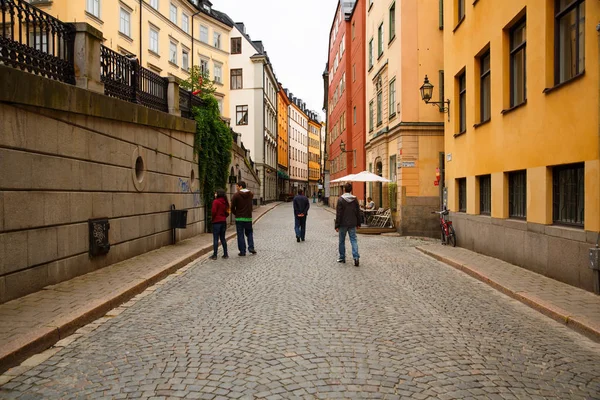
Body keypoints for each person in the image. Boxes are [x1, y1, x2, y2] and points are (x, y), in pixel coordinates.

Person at [335, 182, 361, 266]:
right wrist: (358, 223)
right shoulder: (355, 199)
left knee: (341, 241)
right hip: (353, 223)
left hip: (342, 224)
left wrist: (337, 225)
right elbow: (358, 212)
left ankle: (342, 257)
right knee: (353, 240)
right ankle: (356, 257)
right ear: (351, 190)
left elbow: (339, 213)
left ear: (344, 189)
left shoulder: (340, 199)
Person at [231, 181, 256, 256]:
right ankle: (251, 247)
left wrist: (236, 213)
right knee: (249, 233)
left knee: (240, 234)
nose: (236, 188)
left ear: (241, 186)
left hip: (239, 218)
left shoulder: (236, 195)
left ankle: (242, 251)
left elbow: (232, 207)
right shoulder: (250, 194)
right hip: (248, 218)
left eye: (237, 186)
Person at [209, 189, 229, 260]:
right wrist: (223, 217)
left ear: (218, 194)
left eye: (216, 193)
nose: (215, 194)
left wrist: (213, 218)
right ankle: (225, 254)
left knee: (215, 238)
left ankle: (215, 255)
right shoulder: (225, 202)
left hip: (216, 222)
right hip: (223, 222)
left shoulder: (216, 201)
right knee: (223, 238)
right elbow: (227, 212)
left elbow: (213, 211)